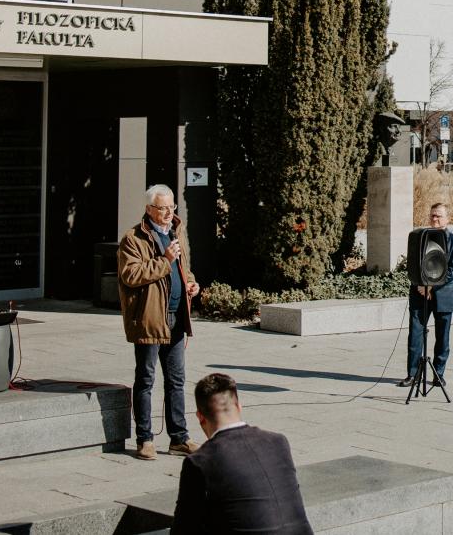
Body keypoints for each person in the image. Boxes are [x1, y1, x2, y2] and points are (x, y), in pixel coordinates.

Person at [171, 374, 313, 535]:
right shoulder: (278, 442)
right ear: (239, 406)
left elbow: (183, 528)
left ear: (200, 417)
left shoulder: (200, 461)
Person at [118, 184, 201, 460]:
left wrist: (190, 284)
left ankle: (179, 437)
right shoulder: (134, 238)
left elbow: (183, 267)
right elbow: (131, 275)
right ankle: (145, 438)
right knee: (146, 379)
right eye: (162, 208)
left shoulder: (177, 232)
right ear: (149, 209)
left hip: (177, 317)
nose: (168, 213)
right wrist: (164, 261)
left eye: (171, 207)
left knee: (176, 381)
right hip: (150, 318)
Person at [402, 203, 453, 388]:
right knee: (415, 335)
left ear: (448, 219)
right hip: (419, 293)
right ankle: (412, 375)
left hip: (443, 296)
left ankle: (439, 374)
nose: (434, 219)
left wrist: (431, 287)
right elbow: (413, 264)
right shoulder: (421, 238)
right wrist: (421, 285)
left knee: (442, 337)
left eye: (438, 215)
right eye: (432, 216)